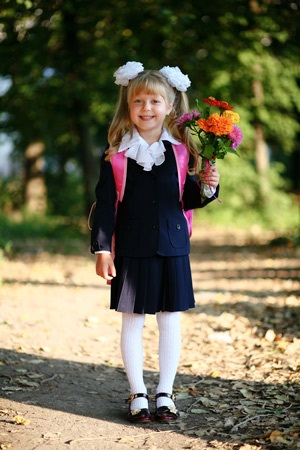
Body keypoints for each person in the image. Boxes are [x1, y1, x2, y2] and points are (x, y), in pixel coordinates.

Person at [90, 61, 220, 423]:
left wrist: (209, 185)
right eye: (139, 102)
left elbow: (188, 198)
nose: (146, 109)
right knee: (132, 320)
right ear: (128, 107)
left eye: (155, 102)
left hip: (173, 246)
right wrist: (103, 248)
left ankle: (165, 392)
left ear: (170, 106)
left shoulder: (181, 151)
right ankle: (137, 393)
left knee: (169, 320)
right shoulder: (116, 154)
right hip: (131, 247)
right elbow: (105, 204)